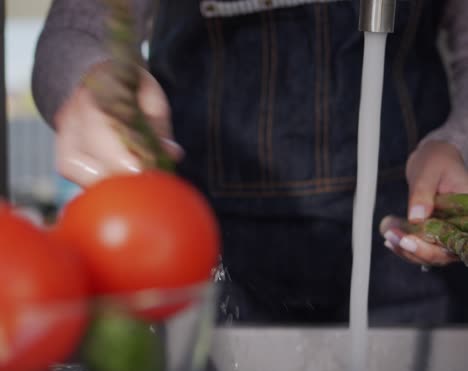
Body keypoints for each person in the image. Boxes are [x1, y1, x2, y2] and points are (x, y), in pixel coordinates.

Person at [32, 0, 468, 324]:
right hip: (200, 267)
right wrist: (92, 83)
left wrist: (458, 143)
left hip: (411, 271)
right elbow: (75, 31)